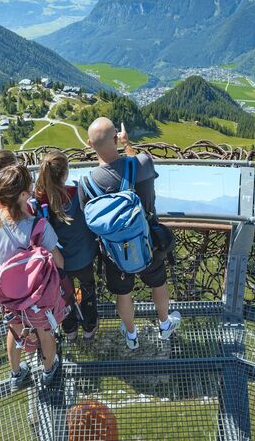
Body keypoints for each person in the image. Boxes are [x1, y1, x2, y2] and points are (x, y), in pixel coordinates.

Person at [80, 117, 180, 350]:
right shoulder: (142, 163)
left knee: (123, 294)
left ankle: (131, 336)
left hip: (114, 251)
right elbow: (136, 163)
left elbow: (89, 221)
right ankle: (165, 325)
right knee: (158, 284)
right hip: (149, 243)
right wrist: (127, 145)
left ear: (89, 144)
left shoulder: (86, 184)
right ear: (116, 138)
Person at [0, 164, 64, 388]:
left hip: (10, 296)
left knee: (14, 332)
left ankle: (16, 374)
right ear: (24, 195)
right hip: (37, 296)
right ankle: (48, 371)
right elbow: (58, 261)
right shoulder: (38, 226)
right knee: (45, 332)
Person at [35, 150, 100, 340]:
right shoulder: (78, 191)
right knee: (87, 289)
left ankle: (70, 328)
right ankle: (89, 326)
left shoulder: (40, 200)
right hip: (84, 255)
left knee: (64, 295)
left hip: (58, 262)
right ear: (65, 173)